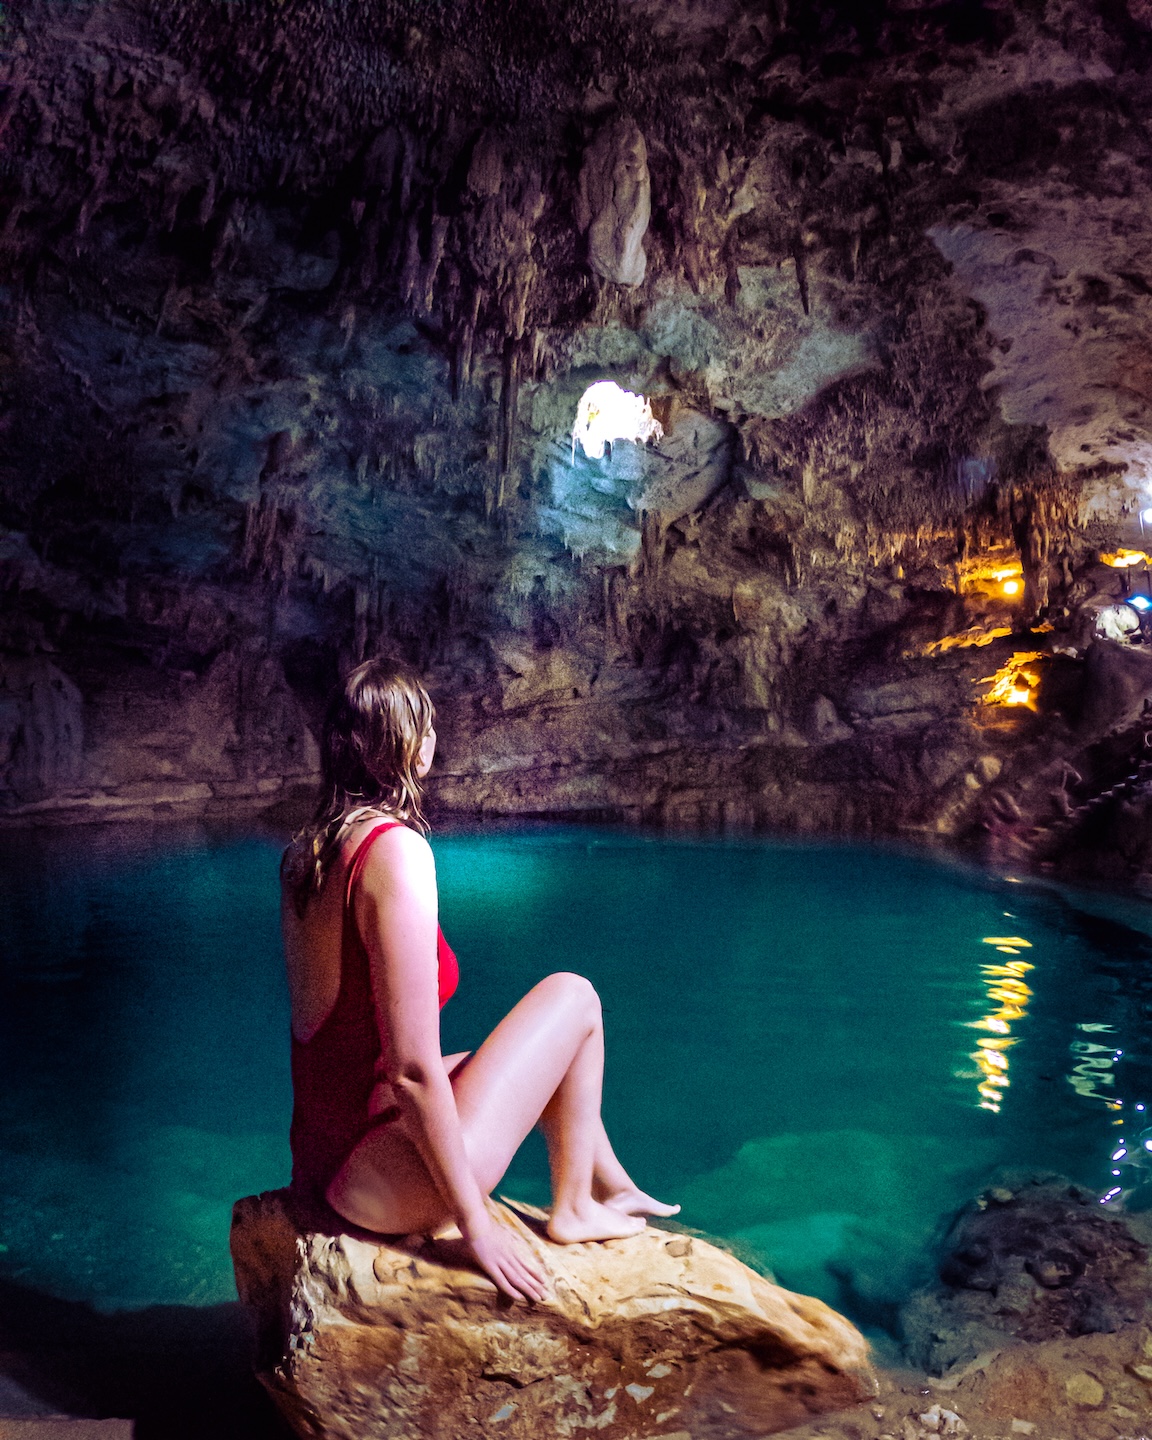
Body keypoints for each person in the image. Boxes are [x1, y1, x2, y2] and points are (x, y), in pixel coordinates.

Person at [280, 657, 678, 1301]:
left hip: (327, 1159)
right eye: (429, 725)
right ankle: (573, 1208)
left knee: (540, 1057)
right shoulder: (395, 852)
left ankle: (608, 1182)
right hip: (378, 1181)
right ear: (411, 745)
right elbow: (412, 1071)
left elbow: (346, 1053)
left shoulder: (309, 852)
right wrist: (479, 1229)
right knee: (574, 997)